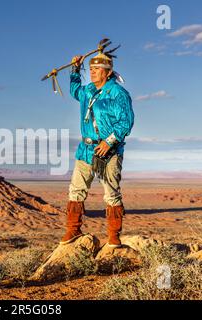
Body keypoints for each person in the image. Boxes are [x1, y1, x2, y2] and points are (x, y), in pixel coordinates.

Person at [60, 44, 135, 248]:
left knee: (111, 192)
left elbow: (126, 122)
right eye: (90, 69)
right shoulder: (88, 91)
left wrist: (109, 141)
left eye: (97, 69)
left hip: (108, 152)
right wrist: (75, 69)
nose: (92, 72)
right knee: (76, 189)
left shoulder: (118, 93)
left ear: (108, 72)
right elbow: (75, 91)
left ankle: (113, 236)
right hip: (85, 150)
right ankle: (73, 229)